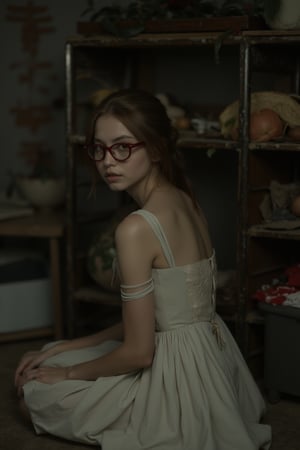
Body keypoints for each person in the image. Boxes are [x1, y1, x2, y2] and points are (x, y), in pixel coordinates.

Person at [15, 89, 271, 450]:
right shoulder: (185, 198)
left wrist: (68, 373)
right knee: (54, 351)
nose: (107, 161)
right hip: (212, 359)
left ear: (153, 149)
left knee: (33, 397)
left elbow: (139, 353)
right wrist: (68, 347)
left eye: (122, 147)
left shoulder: (136, 228)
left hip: (177, 374)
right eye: (99, 148)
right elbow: (161, 313)